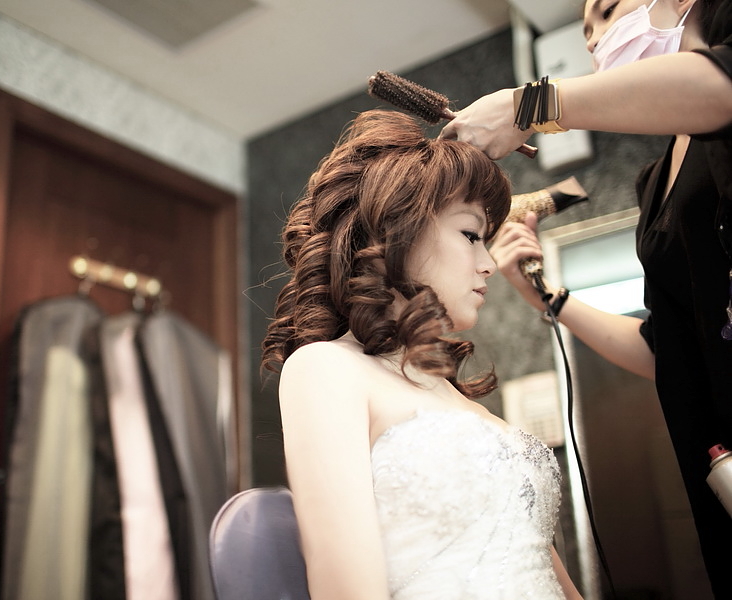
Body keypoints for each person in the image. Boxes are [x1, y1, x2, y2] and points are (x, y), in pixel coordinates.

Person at [441, 0, 732, 596]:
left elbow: (719, 89)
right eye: (586, 32)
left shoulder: (716, 104)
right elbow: (665, 349)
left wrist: (529, 106)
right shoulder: (655, 183)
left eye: (607, 12)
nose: (595, 40)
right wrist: (545, 298)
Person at [261, 109, 583, 599]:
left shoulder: (459, 400)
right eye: (471, 235)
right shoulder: (326, 369)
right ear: (397, 230)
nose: (488, 263)